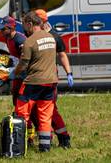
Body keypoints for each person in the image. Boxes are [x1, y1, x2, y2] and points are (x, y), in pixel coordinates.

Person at [13, 11, 58, 152]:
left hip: (33, 82)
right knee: (45, 115)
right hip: (50, 82)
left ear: (30, 24)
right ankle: (45, 147)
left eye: (25, 26)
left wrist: (13, 72)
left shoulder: (30, 41)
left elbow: (24, 64)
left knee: (21, 113)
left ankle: (19, 145)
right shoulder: (51, 38)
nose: (24, 30)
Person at [35, 9, 73, 148]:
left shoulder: (54, 36)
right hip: (37, 78)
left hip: (49, 78)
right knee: (40, 109)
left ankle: (61, 137)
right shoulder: (33, 35)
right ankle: (47, 138)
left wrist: (69, 73)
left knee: (49, 109)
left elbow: (62, 55)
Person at [0, 16, 26, 105]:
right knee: (15, 94)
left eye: (3, 29)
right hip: (17, 71)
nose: (1, 31)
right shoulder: (7, 38)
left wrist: (16, 72)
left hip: (25, 72)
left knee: (23, 97)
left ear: (11, 28)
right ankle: (17, 114)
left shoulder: (20, 40)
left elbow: (25, 59)